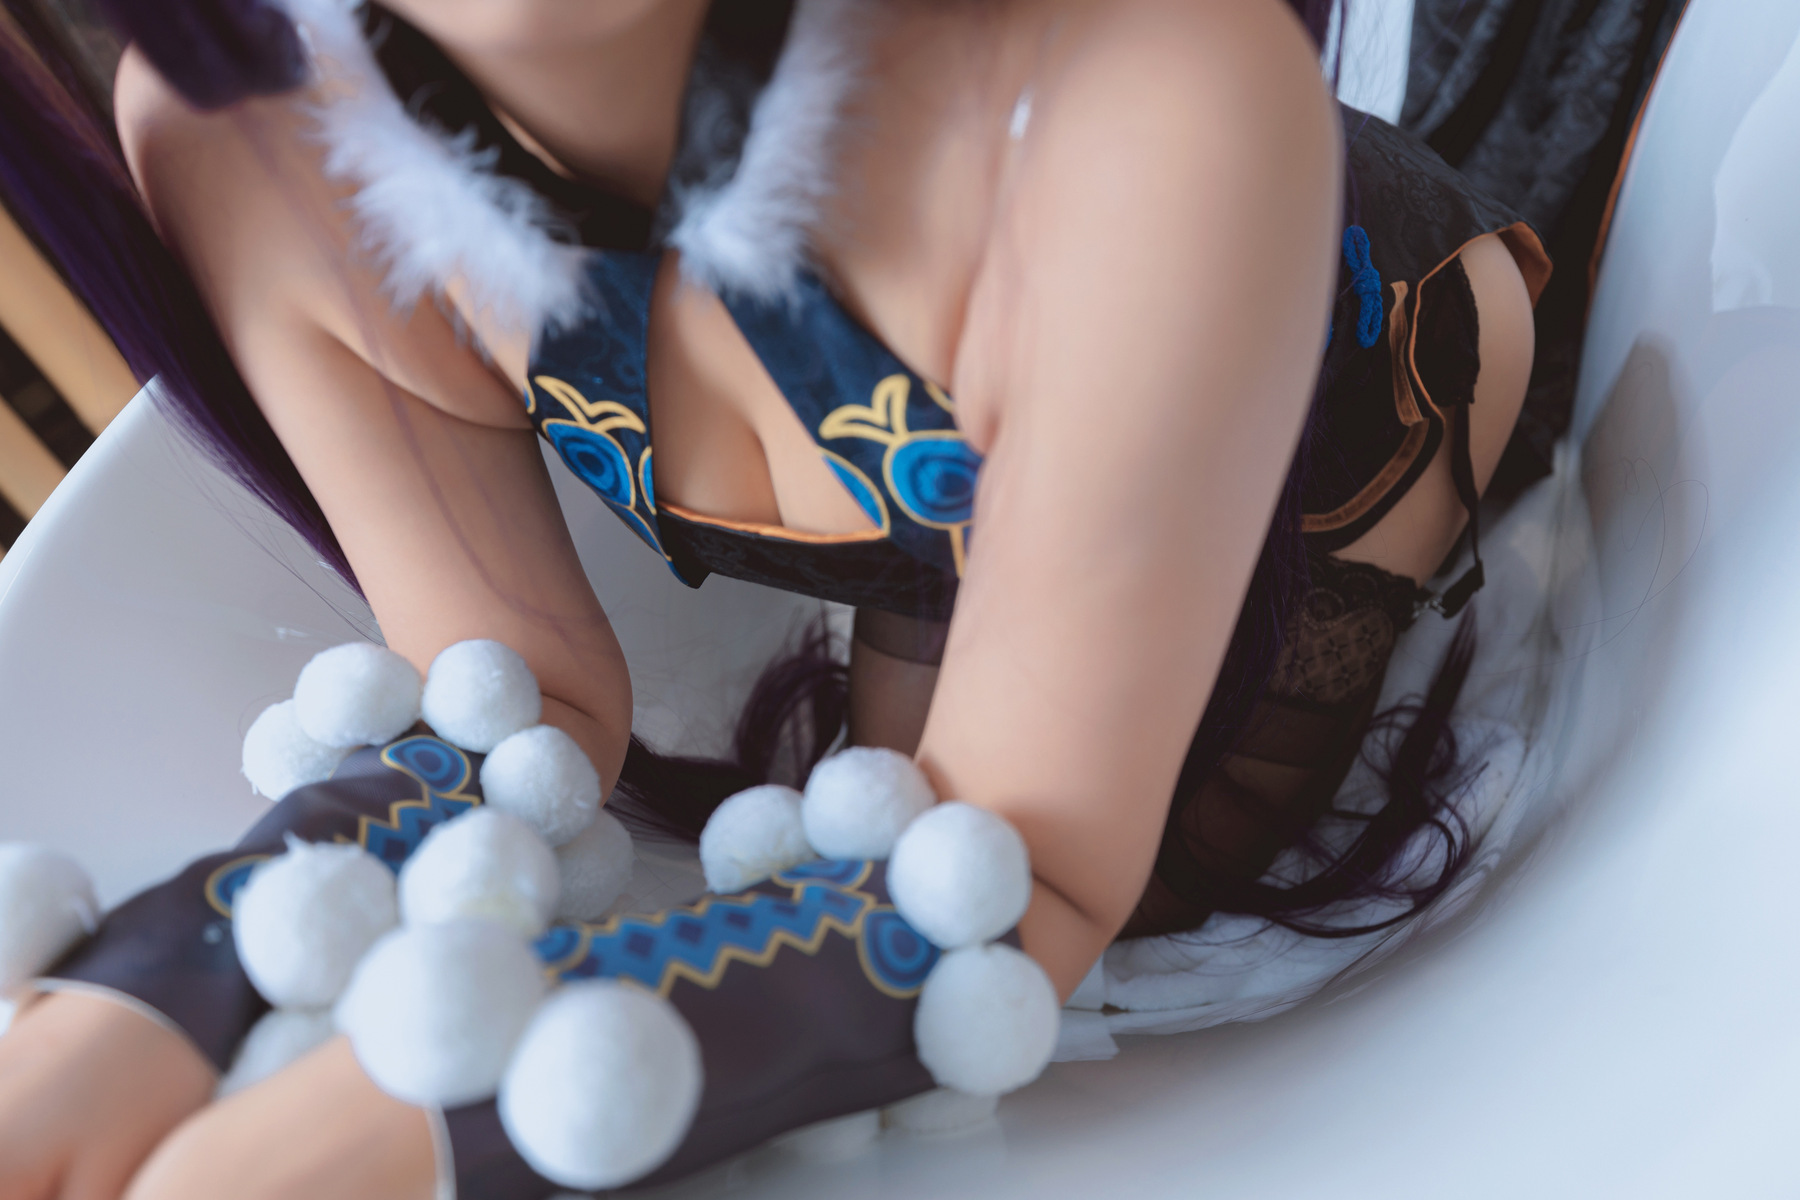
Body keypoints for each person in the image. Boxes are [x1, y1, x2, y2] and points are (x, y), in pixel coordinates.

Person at [0, 0, 1546, 1196]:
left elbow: (1029, 887)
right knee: (903, 818)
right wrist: (161, 981)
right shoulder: (265, 132)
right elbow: (510, 697)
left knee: (1142, 903)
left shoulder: (1147, 91)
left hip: (1351, 420)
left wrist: (451, 1108)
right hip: (945, 513)